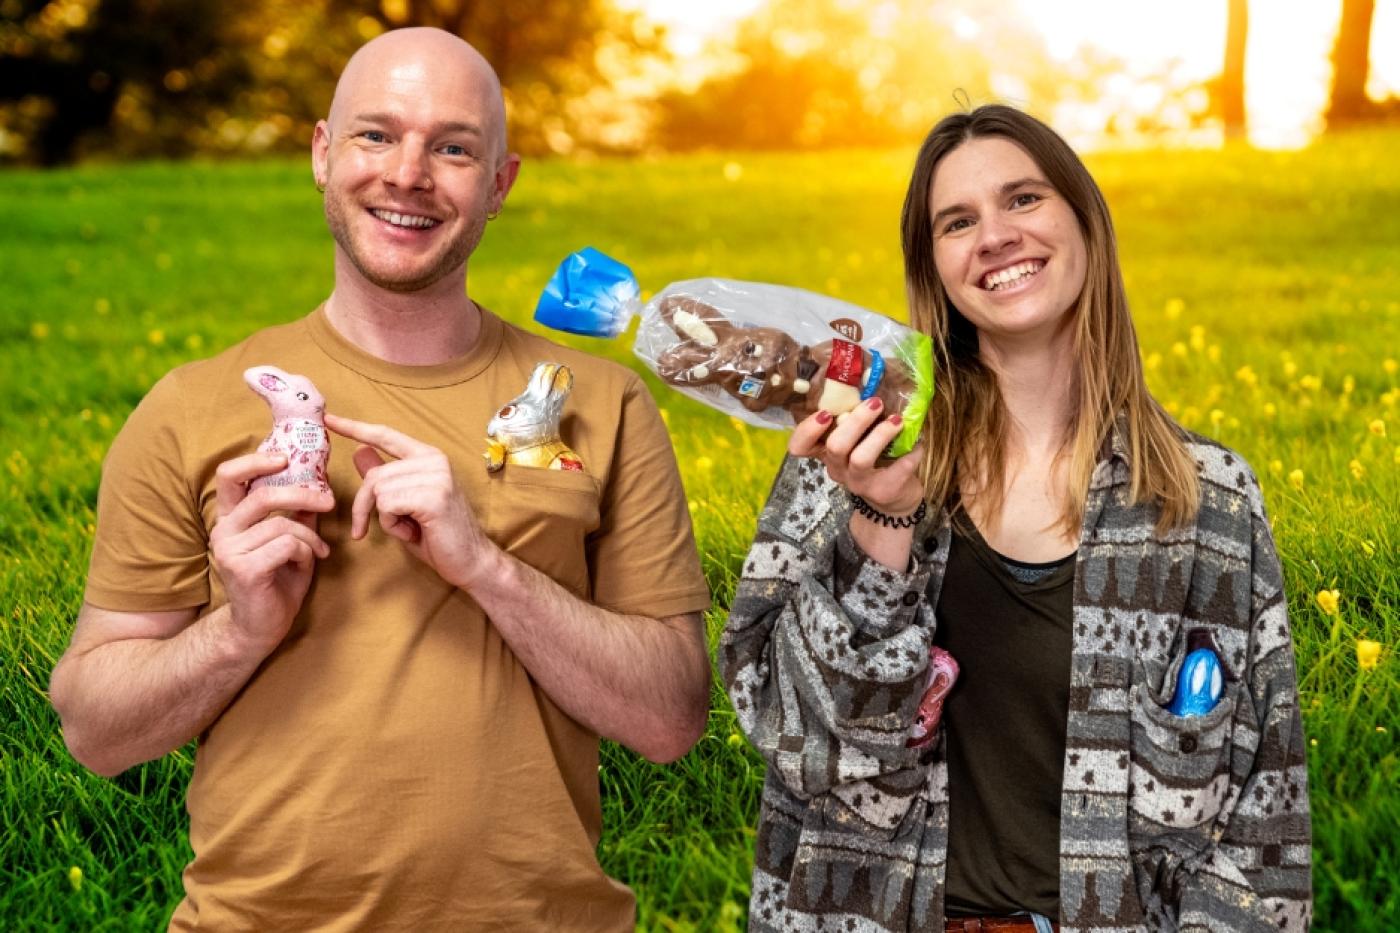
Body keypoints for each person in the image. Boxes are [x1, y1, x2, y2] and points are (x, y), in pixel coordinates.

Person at [48, 28, 712, 931]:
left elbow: (670, 716)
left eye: (452, 147)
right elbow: (95, 730)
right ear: (323, 154)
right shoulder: (190, 407)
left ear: (500, 183)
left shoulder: (603, 398)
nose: (408, 174)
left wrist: (485, 564)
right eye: (374, 135)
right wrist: (240, 631)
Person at [721, 105, 1311, 933]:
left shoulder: (1208, 502)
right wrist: (880, 524)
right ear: (937, 268)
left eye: (1024, 200)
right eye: (957, 221)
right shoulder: (842, 462)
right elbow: (796, 738)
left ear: (1085, 222)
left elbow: (1264, 823)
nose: (994, 235)